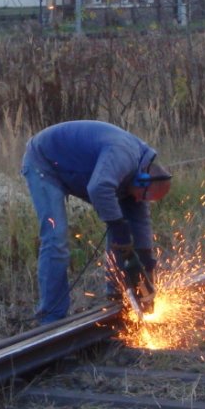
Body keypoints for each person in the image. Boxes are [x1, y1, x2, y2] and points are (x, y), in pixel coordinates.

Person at [21, 121, 172, 324]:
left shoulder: (140, 180)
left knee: (125, 225)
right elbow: (98, 188)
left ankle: (118, 295)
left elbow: (140, 223)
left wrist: (145, 267)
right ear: (142, 180)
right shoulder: (122, 157)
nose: (139, 201)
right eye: (143, 196)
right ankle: (51, 317)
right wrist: (119, 228)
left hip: (74, 169)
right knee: (56, 237)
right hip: (44, 163)